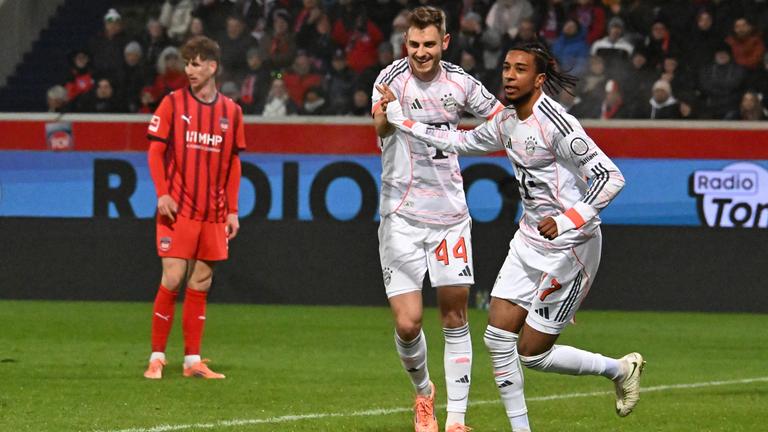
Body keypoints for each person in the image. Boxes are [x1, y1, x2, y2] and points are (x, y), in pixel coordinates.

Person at [378, 41, 645, 432]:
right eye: (506, 67)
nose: (508, 75)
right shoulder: (505, 121)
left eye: (519, 69)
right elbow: (459, 142)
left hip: (570, 247)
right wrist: (402, 121)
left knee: (532, 353)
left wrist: (569, 218)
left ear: (538, 80)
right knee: (497, 338)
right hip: (529, 240)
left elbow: (610, 177)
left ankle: (620, 369)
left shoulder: (558, 124)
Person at [370, 6, 504, 432]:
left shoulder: (461, 84)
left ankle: (457, 420)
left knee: (454, 315)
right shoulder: (389, 79)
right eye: (414, 45)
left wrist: (472, 137)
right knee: (408, 323)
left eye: (429, 44)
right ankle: (424, 393)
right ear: (404, 43)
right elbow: (380, 128)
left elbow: (501, 119)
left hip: (449, 218)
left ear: (445, 42)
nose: (421, 53)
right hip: (401, 217)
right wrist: (385, 114)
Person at [143, 35, 246, 380]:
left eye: (196, 63)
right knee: (173, 277)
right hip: (178, 210)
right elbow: (155, 152)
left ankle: (192, 361)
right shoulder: (172, 104)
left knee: (200, 282)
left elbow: (233, 164)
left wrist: (232, 209)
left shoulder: (231, 112)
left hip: (214, 213)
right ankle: (157, 357)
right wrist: (162, 193)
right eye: (187, 63)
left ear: (212, 67)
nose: (190, 69)